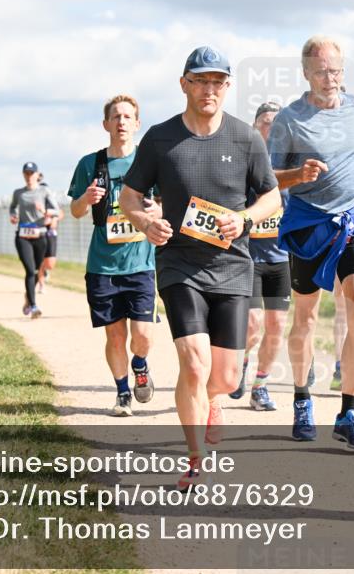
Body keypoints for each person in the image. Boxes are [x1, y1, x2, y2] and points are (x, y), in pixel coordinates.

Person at [119, 47, 280, 487]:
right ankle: (195, 459)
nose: (209, 90)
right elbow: (130, 196)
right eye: (201, 81)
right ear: (184, 84)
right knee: (193, 362)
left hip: (231, 266)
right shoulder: (159, 138)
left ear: (227, 87)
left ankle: (211, 400)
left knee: (225, 377)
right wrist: (146, 221)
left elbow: (272, 198)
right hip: (179, 265)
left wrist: (244, 218)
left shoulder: (247, 138)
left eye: (218, 82)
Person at [270, 35, 354, 449]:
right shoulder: (289, 119)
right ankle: (302, 398)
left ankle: (349, 411)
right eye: (321, 71)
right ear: (305, 73)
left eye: (336, 70)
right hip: (310, 224)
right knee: (305, 317)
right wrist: (297, 175)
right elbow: (269, 177)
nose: (330, 78)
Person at [69, 95, 159, 417]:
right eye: (115, 116)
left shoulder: (149, 162)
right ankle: (122, 393)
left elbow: (165, 205)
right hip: (103, 265)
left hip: (141, 263)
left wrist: (157, 210)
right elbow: (76, 211)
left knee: (143, 336)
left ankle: (140, 364)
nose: (121, 122)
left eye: (127, 117)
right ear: (106, 124)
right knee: (115, 333)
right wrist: (86, 198)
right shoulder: (90, 164)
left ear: (137, 124)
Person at [228, 101, 288, 412]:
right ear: (255, 127)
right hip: (249, 258)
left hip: (280, 260)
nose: (271, 127)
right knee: (252, 325)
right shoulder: (244, 164)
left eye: (277, 123)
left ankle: (261, 386)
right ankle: (242, 363)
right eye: (266, 122)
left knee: (276, 325)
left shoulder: (290, 168)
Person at [10, 162, 59, 319]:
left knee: (38, 271)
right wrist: (13, 216)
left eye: (32, 173)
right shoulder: (19, 193)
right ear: (23, 175)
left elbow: (56, 210)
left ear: (38, 175)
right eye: (26, 173)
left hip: (40, 236)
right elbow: (12, 207)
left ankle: (28, 298)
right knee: (30, 270)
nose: (29, 176)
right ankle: (33, 305)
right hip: (23, 236)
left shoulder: (44, 191)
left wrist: (44, 211)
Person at [36, 173, 64, 295]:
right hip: (39, 234)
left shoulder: (52, 203)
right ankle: (41, 285)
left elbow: (60, 213)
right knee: (40, 261)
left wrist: (54, 219)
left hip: (51, 234)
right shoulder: (35, 203)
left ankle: (46, 271)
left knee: (50, 263)